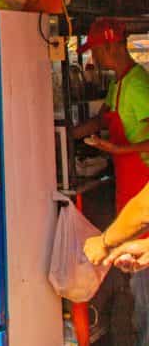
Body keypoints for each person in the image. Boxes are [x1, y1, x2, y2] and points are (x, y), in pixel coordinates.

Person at [75, 18, 149, 344]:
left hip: (143, 194)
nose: (94, 61)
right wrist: (60, 136)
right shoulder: (118, 85)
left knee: (146, 293)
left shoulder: (138, 86)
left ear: (109, 46)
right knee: (137, 287)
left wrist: (119, 148)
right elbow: (98, 120)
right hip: (129, 195)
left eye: (96, 53)